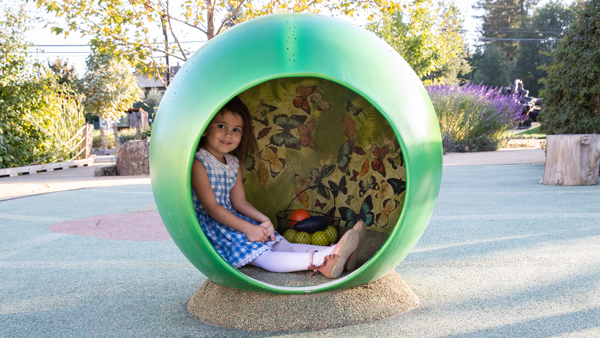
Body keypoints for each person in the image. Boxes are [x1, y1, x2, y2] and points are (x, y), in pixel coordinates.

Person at [191, 96, 367, 279]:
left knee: (281, 244)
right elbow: (212, 208)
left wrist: (263, 220)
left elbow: (239, 201)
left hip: (234, 219)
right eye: (221, 126)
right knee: (263, 256)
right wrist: (247, 228)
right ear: (204, 130)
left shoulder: (234, 162)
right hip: (216, 227)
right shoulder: (199, 162)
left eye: (236, 130)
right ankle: (321, 260)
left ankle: (340, 255)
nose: (228, 134)